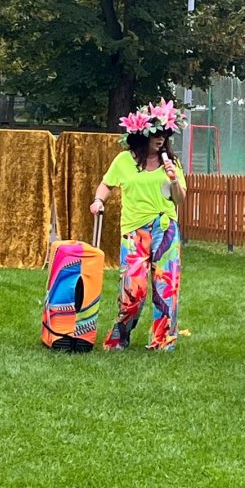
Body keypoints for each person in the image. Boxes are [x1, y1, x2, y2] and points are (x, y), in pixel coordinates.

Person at [90, 98, 187, 351]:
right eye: (156, 133)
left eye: (165, 134)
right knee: (134, 288)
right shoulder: (124, 160)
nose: (161, 139)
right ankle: (119, 338)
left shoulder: (172, 163)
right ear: (142, 134)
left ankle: (163, 341)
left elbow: (180, 199)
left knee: (167, 286)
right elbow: (106, 184)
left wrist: (173, 179)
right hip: (135, 231)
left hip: (165, 228)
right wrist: (99, 200)